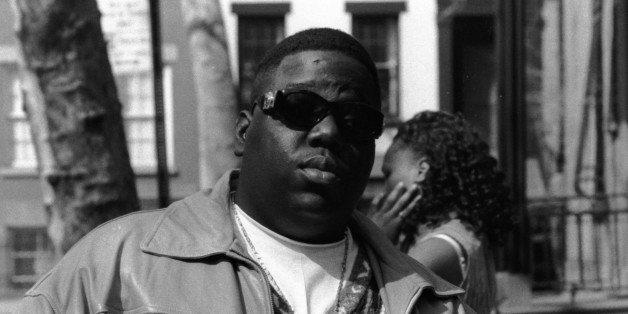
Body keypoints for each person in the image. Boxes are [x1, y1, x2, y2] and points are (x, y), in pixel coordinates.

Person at [18, 29, 471, 313]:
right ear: (243, 130)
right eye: (300, 107)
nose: (329, 131)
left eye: (355, 119)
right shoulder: (114, 264)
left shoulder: (432, 301)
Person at [367, 111, 513, 313]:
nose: (385, 188)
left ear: (422, 170)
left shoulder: (441, 246)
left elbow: (368, 297)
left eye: (388, 173)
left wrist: (374, 236)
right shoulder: (464, 232)